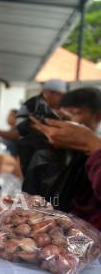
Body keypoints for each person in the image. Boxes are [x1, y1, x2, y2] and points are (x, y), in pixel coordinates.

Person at [31, 87, 101, 229]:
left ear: (98, 117)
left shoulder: (95, 150)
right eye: (64, 114)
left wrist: (92, 145)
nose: (69, 121)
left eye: (76, 113)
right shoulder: (61, 148)